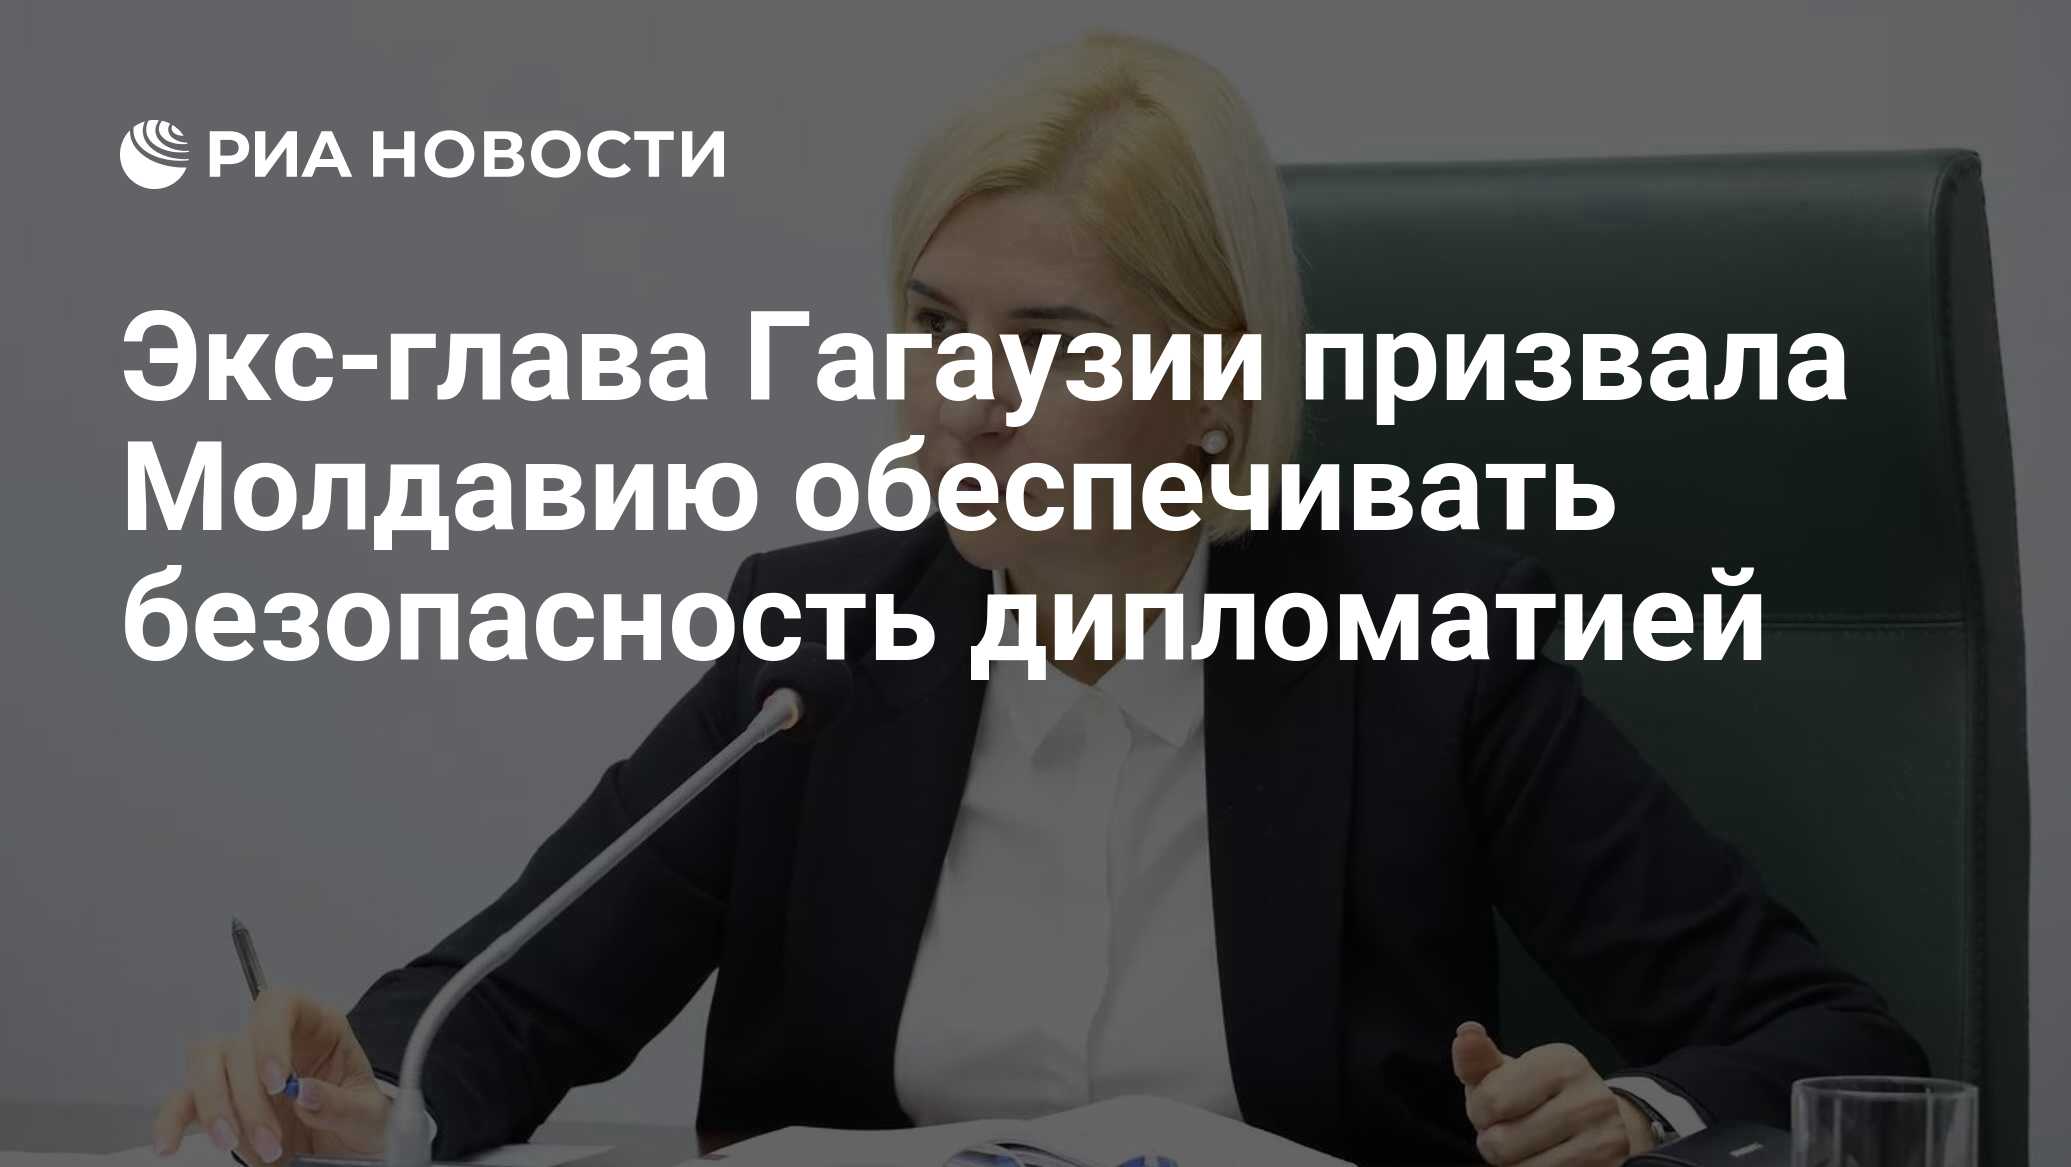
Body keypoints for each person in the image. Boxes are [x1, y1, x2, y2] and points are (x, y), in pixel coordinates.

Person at [152, 32, 1926, 1167]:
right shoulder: (821, 650)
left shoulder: (1420, 654)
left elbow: (1835, 1045)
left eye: (1051, 342)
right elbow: (508, 1004)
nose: (965, 402)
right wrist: (363, 1097)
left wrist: (1635, 1112)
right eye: (935, 328)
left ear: (1218, 379)